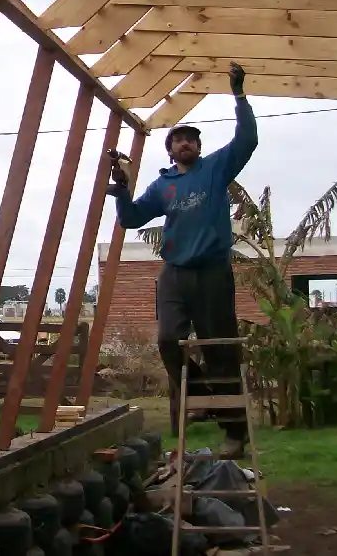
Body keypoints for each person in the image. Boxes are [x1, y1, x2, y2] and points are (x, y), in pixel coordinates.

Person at [109, 62, 258, 458]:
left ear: (199, 147)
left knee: (220, 349)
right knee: (167, 339)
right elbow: (131, 219)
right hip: (175, 273)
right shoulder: (163, 186)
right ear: (170, 149)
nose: (186, 143)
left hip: (212, 272)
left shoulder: (216, 169)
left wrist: (239, 95)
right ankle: (203, 396)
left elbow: (247, 140)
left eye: (191, 139)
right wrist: (122, 191)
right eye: (179, 139)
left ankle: (234, 434)